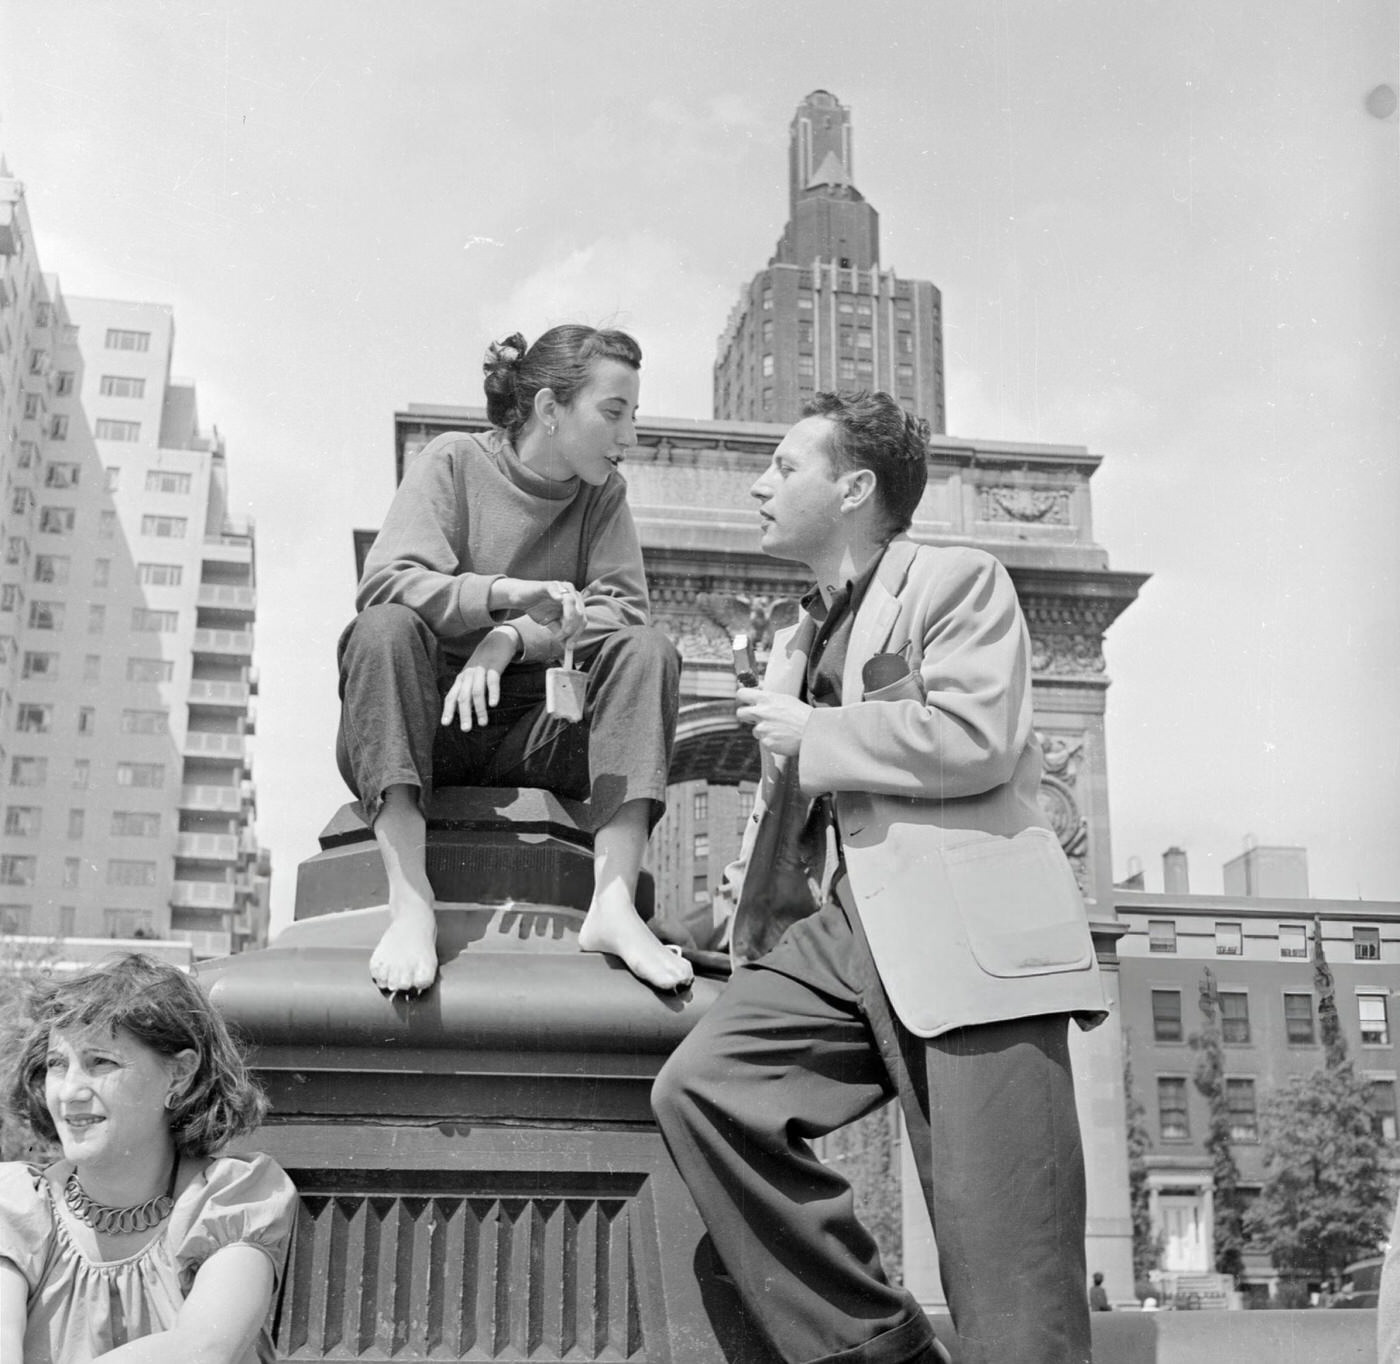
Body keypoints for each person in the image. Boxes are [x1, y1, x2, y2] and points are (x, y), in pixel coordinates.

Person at [652, 391, 1109, 1364]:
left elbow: (977, 736)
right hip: (844, 936)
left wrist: (812, 730)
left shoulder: (955, 577)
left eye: (783, 465)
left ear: (854, 486)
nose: (757, 483)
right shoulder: (799, 637)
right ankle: (880, 1349)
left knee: (1012, 1293)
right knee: (704, 1086)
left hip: (968, 935)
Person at [336, 325, 688, 997]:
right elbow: (385, 583)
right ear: (551, 409)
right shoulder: (453, 461)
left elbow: (622, 611)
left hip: (537, 733)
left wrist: (510, 640)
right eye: (614, 413)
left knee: (648, 651)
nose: (629, 437)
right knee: (383, 629)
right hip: (425, 726)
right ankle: (411, 900)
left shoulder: (603, 495)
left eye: (632, 417)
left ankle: (611, 905)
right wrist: (498, 596)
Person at [0, 954, 296, 1363]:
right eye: (56, 1064)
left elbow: (203, 1350)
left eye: (100, 1061)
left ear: (179, 1075)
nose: (69, 1092)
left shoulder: (231, 1200)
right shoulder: (15, 1205)